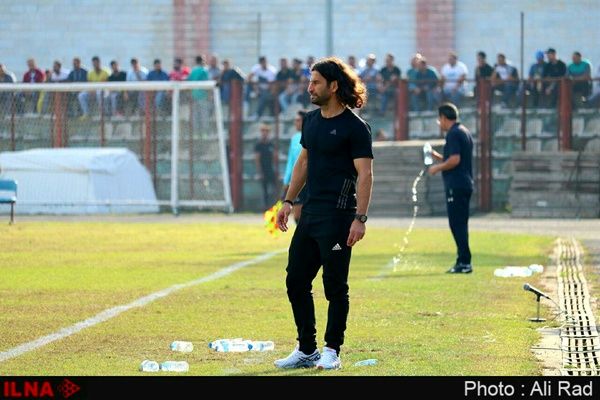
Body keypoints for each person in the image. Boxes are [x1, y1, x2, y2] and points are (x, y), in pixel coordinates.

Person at [275, 57, 373, 370]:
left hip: (340, 217)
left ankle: (332, 350)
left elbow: (366, 174)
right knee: (295, 280)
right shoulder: (311, 121)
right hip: (311, 214)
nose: (309, 87)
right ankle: (307, 349)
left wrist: (360, 219)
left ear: (333, 85)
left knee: (335, 286)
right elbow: (303, 162)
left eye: (315, 82)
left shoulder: (356, 128)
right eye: (309, 81)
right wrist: (288, 201)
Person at [428, 103, 473, 274]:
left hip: (457, 184)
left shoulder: (453, 133)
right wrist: (437, 157)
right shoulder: (463, 131)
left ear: (444, 117)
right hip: (464, 183)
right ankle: (463, 261)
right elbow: (453, 159)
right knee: (460, 223)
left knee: (457, 224)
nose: (439, 123)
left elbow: (455, 160)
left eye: (439, 119)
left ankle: (464, 262)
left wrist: (436, 168)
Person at [282, 110, 307, 222]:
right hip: (298, 179)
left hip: (310, 179)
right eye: (295, 120)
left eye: (298, 120)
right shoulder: (295, 138)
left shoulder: (311, 135)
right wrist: (286, 180)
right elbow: (291, 161)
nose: (295, 123)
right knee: (297, 215)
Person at [254, 123, 277, 208]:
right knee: (265, 190)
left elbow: (274, 157)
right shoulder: (258, 145)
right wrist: (259, 172)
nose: (264, 133)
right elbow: (257, 159)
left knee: (274, 188)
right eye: (263, 131)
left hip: (270, 169)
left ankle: (275, 205)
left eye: (266, 131)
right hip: (263, 170)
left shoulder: (271, 144)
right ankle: (266, 207)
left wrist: (275, 169)